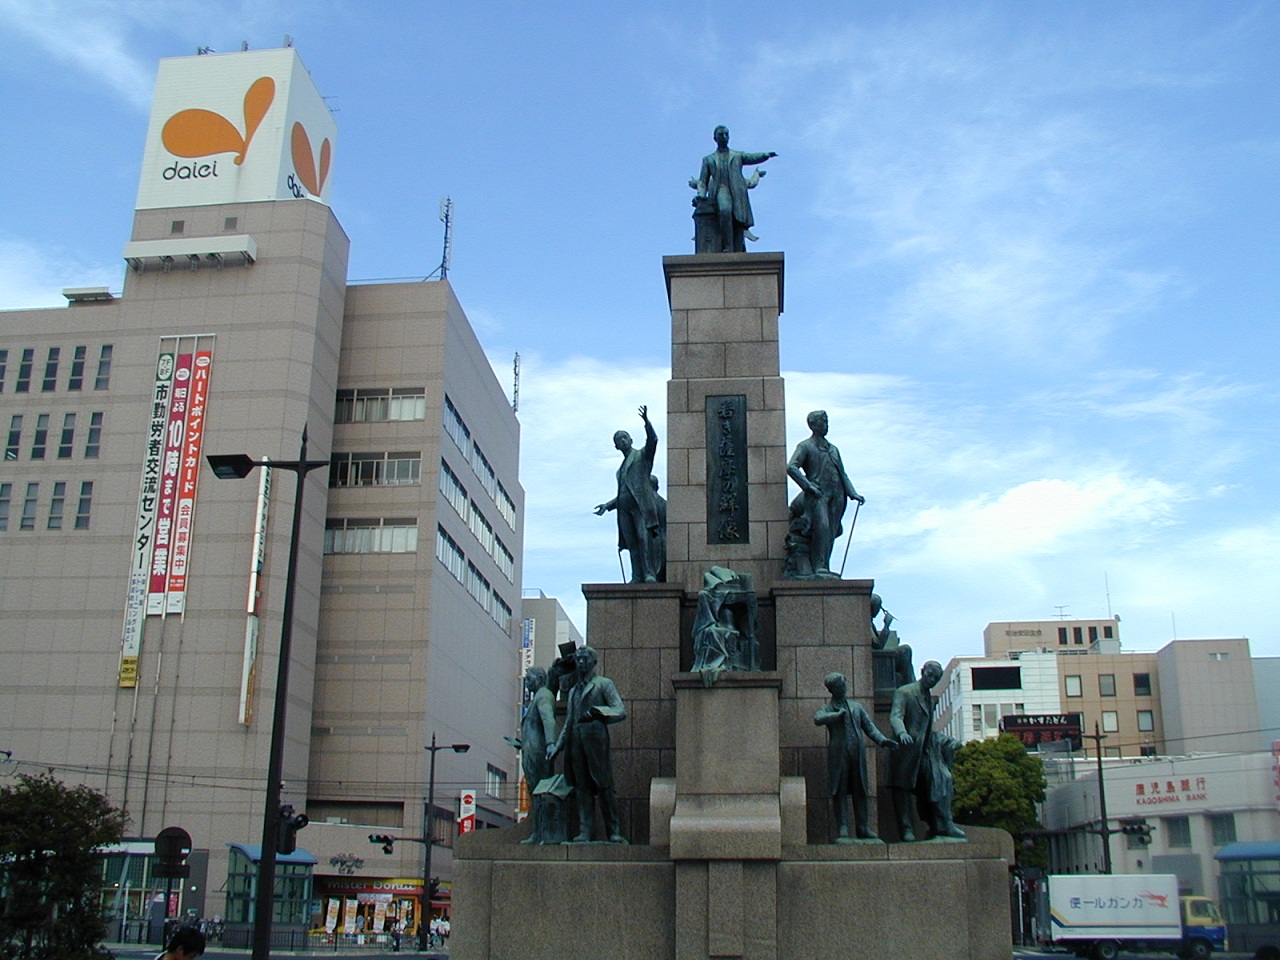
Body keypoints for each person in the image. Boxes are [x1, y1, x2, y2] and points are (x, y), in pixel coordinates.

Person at [547, 645, 627, 842]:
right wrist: (558, 746)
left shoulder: (603, 684)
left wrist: (600, 712)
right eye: (578, 659)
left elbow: (620, 710)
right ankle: (585, 830)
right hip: (575, 742)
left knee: (604, 785)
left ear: (594, 662)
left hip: (595, 741)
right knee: (582, 787)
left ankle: (613, 830)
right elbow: (568, 722)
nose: (581, 663)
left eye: (585, 659)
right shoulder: (574, 690)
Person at [888, 660, 965, 841]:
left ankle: (943, 824)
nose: (932, 680)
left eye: (936, 678)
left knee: (942, 778)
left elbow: (928, 729)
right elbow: (896, 716)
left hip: (924, 751)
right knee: (901, 788)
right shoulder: (905, 692)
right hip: (905, 750)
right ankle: (906, 829)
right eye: (930, 675)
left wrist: (946, 741)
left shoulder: (929, 699)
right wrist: (902, 733)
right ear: (922, 671)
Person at [815, 671, 894, 840]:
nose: (843, 689)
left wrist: (882, 740)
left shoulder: (856, 707)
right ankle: (843, 827)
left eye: (844, 685)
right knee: (840, 790)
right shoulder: (828, 708)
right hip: (839, 754)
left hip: (857, 754)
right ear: (832, 689)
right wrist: (836, 716)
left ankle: (863, 827)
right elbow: (818, 718)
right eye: (839, 686)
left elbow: (869, 727)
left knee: (860, 790)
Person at [786, 410, 864, 579]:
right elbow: (791, 467)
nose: (826, 425)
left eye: (827, 421)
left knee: (831, 531)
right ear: (813, 425)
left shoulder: (833, 449)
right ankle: (819, 566)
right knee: (822, 527)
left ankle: (825, 565)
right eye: (823, 421)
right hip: (818, 495)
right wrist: (808, 486)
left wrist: (853, 493)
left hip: (838, 495)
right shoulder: (805, 446)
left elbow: (842, 474)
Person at [594, 406, 661, 583]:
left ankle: (649, 573)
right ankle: (636, 576)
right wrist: (607, 505)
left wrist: (647, 423)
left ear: (631, 440)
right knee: (632, 543)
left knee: (643, 538)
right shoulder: (620, 470)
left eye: (624, 437)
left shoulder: (641, 456)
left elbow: (653, 440)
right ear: (616, 446)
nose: (622, 441)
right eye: (619, 440)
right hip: (623, 509)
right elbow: (625, 491)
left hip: (640, 506)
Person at [690, 125, 777, 252]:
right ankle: (728, 246)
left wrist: (765, 155)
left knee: (738, 219)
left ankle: (737, 247)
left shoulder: (737, 155)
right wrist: (701, 195)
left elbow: (751, 157)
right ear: (715, 138)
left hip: (737, 191)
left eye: (726, 134)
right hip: (721, 189)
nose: (724, 137)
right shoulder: (708, 159)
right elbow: (703, 181)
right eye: (721, 134)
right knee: (725, 210)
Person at [506, 666, 557, 843]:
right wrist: (520, 744)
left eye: (529, 679)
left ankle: (541, 833)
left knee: (539, 792)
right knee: (535, 792)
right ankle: (538, 832)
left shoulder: (543, 696)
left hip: (538, 751)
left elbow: (548, 719)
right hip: (531, 748)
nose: (526, 683)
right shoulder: (539, 697)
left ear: (540, 679)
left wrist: (550, 743)